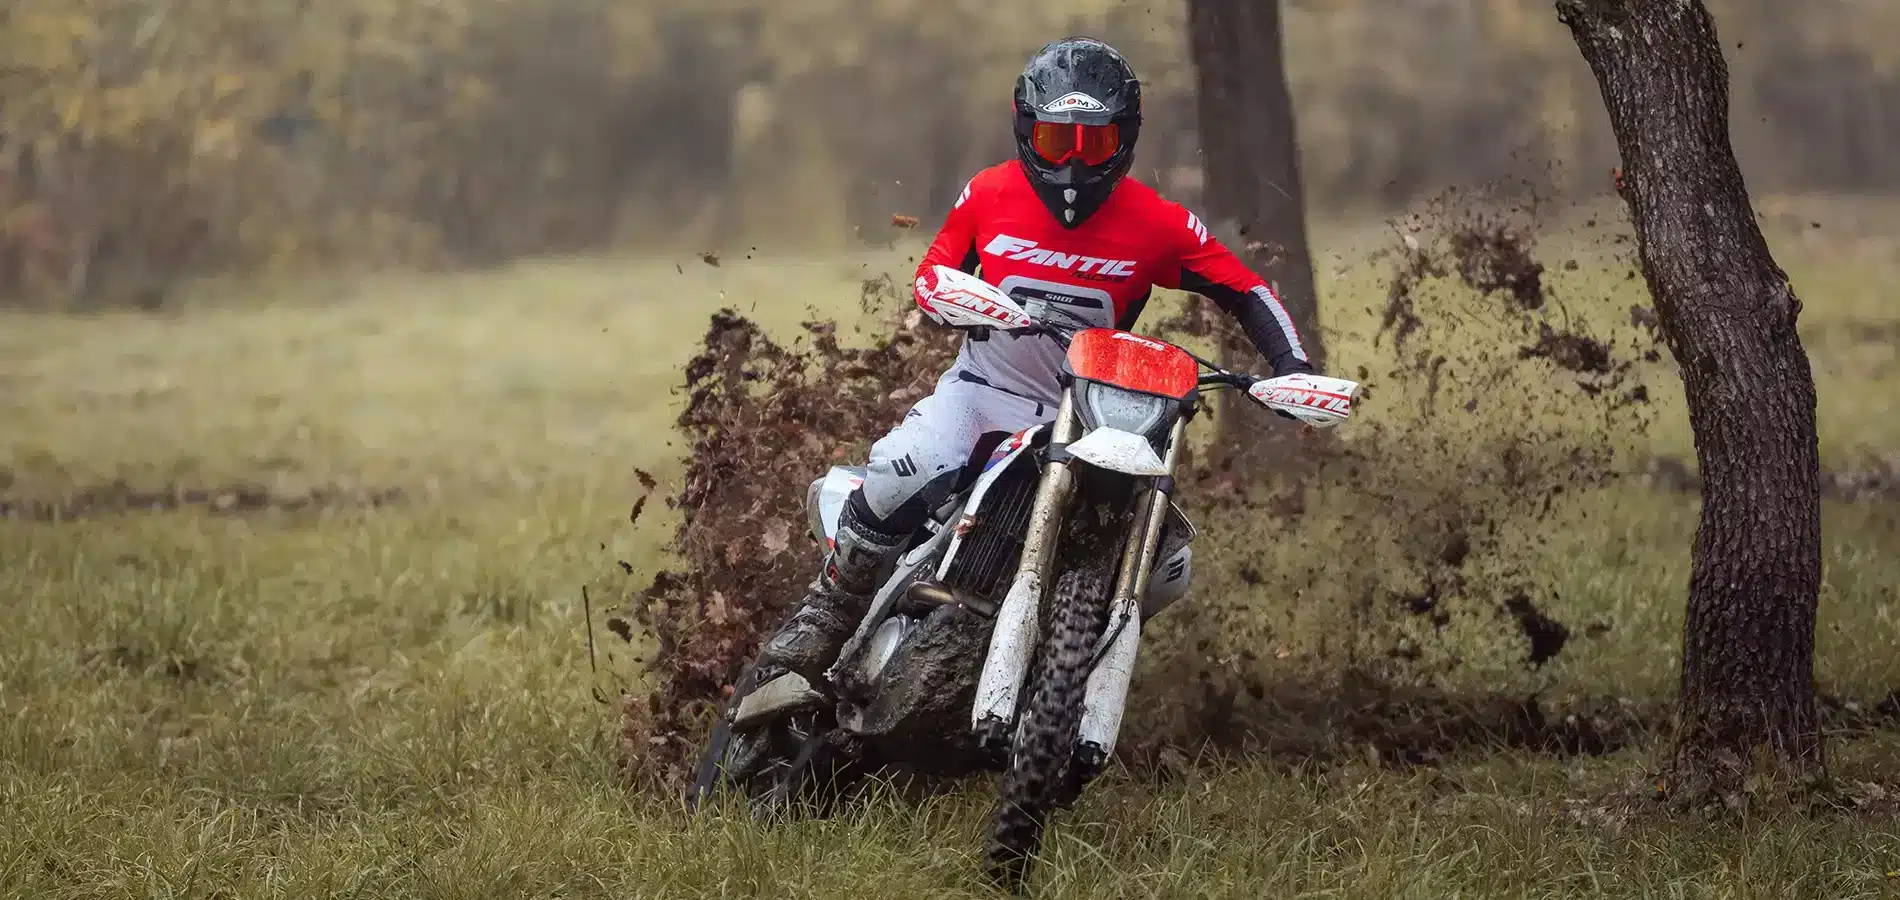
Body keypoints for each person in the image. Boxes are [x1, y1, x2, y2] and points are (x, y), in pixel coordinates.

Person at [754, 36, 1317, 690]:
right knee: (907, 469)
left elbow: (1247, 290)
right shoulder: (989, 193)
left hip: (1087, 420)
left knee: (1159, 561)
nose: (1074, 162)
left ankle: (1053, 667)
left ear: (1125, 140)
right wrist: (951, 300)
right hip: (980, 394)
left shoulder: (1159, 223)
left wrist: (1292, 366)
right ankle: (829, 609)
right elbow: (933, 275)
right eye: (1056, 141)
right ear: (1027, 132)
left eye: (1094, 145)